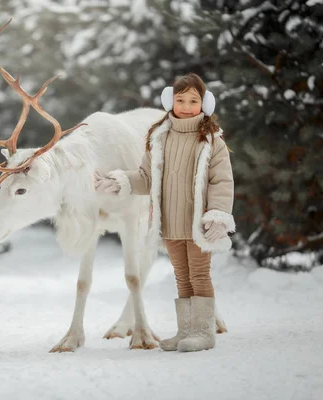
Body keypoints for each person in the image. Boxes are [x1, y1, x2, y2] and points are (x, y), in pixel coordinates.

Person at [95, 73, 235, 352]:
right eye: (180, 99)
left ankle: (204, 332)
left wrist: (218, 214)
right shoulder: (159, 138)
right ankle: (186, 331)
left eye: (193, 101)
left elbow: (222, 181)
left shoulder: (211, 141)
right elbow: (146, 177)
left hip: (198, 224)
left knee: (199, 275)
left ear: (204, 104)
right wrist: (120, 181)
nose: (185, 106)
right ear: (170, 101)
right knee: (181, 276)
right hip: (169, 223)